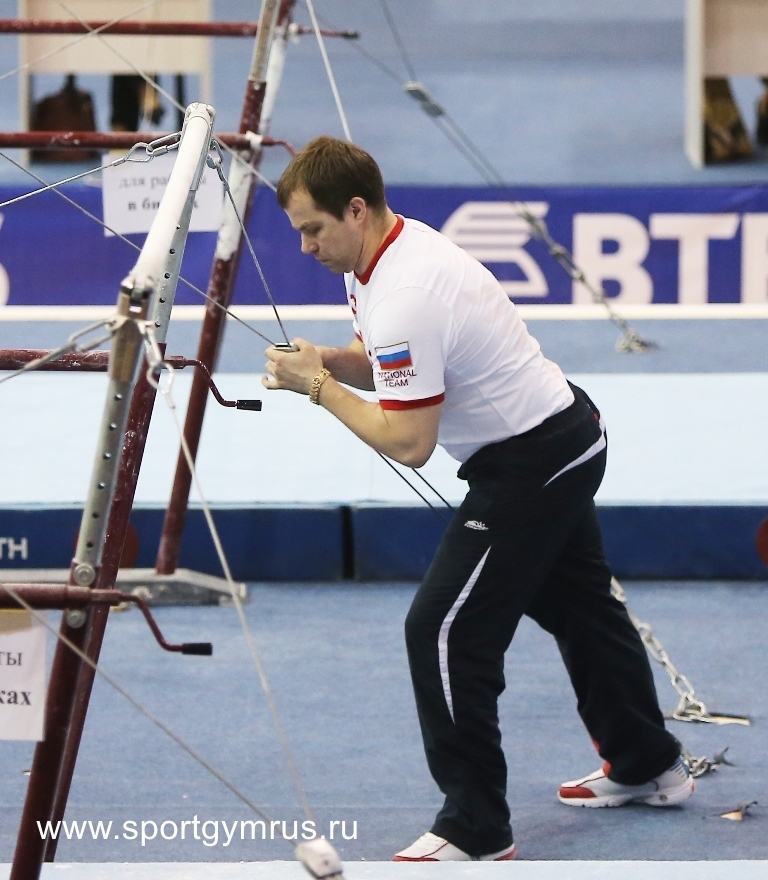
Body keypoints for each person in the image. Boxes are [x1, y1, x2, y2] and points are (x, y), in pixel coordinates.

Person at [264, 136, 695, 862]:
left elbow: (408, 442)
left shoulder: (404, 293)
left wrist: (318, 387)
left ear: (357, 210)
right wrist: (329, 362)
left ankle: (475, 826)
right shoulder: (381, 258)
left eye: (313, 229)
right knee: (579, 607)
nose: (305, 248)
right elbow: (392, 366)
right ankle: (649, 764)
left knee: (443, 631)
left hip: (535, 461)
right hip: (560, 435)